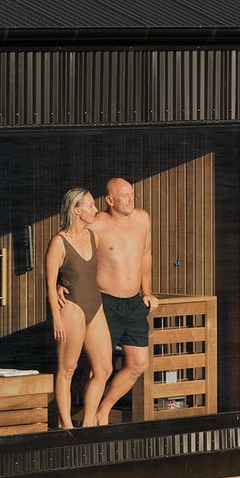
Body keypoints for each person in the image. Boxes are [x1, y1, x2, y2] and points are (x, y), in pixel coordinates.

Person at [86, 176, 156, 427]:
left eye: (132, 194)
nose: (131, 198)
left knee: (139, 364)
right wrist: (62, 285)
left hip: (133, 302)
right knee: (99, 368)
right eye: (124, 195)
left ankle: (102, 410)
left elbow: (145, 254)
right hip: (105, 303)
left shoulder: (143, 219)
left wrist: (147, 292)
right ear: (109, 200)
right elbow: (69, 249)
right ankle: (89, 422)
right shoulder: (96, 224)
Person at [45, 188, 109, 430]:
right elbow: (51, 285)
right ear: (76, 210)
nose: (95, 209)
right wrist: (56, 319)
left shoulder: (95, 236)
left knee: (104, 369)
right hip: (71, 309)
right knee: (67, 369)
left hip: (95, 306)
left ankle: (89, 420)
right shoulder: (58, 242)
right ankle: (67, 426)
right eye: (91, 206)